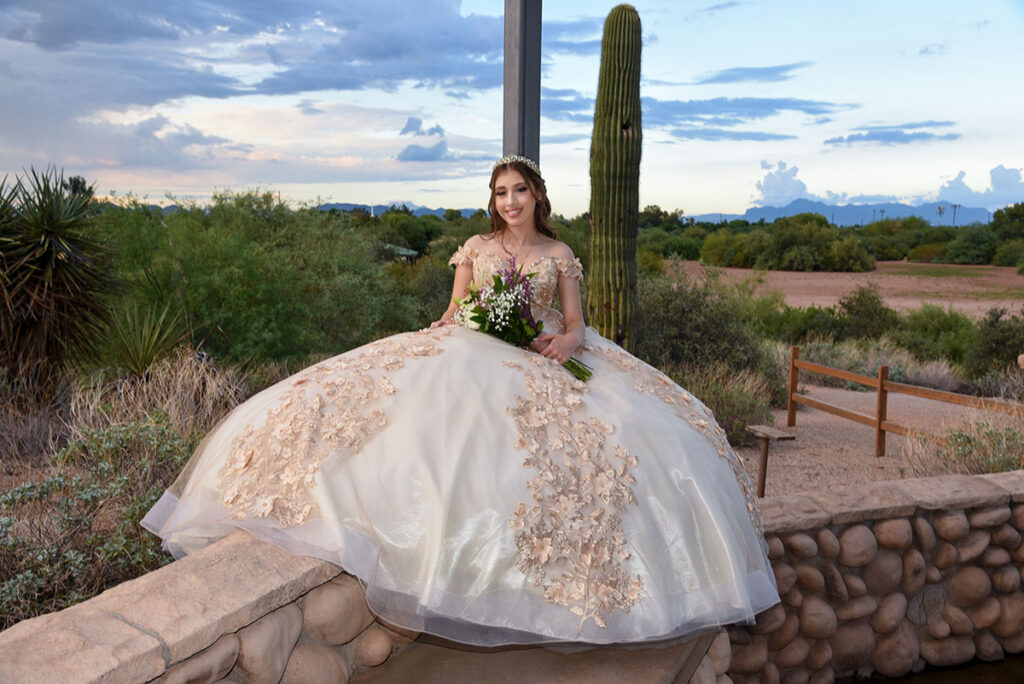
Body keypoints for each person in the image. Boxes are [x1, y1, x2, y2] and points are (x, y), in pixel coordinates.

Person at [142, 155, 779, 646]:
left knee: (582, 451)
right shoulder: (472, 249)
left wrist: (561, 343)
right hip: (470, 347)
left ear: (537, 196)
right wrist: (445, 330)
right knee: (438, 440)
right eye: (501, 193)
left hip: (538, 351)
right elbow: (453, 310)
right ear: (493, 200)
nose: (510, 202)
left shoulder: (559, 255)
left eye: (520, 191)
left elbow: (577, 324)